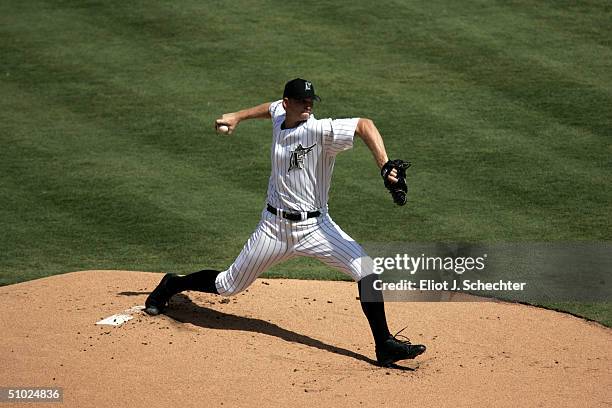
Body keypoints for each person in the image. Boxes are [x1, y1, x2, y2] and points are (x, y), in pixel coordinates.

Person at [145, 78, 426, 367]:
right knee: (228, 284)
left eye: (311, 101)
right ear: (287, 103)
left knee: (367, 270)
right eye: (302, 101)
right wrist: (237, 116)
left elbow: (364, 125)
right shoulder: (281, 114)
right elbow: (269, 108)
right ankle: (171, 285)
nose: (308, 105)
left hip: (316, 228)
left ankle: (384, 345)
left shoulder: (319, 130)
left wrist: (384, 164)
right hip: (273, 229)